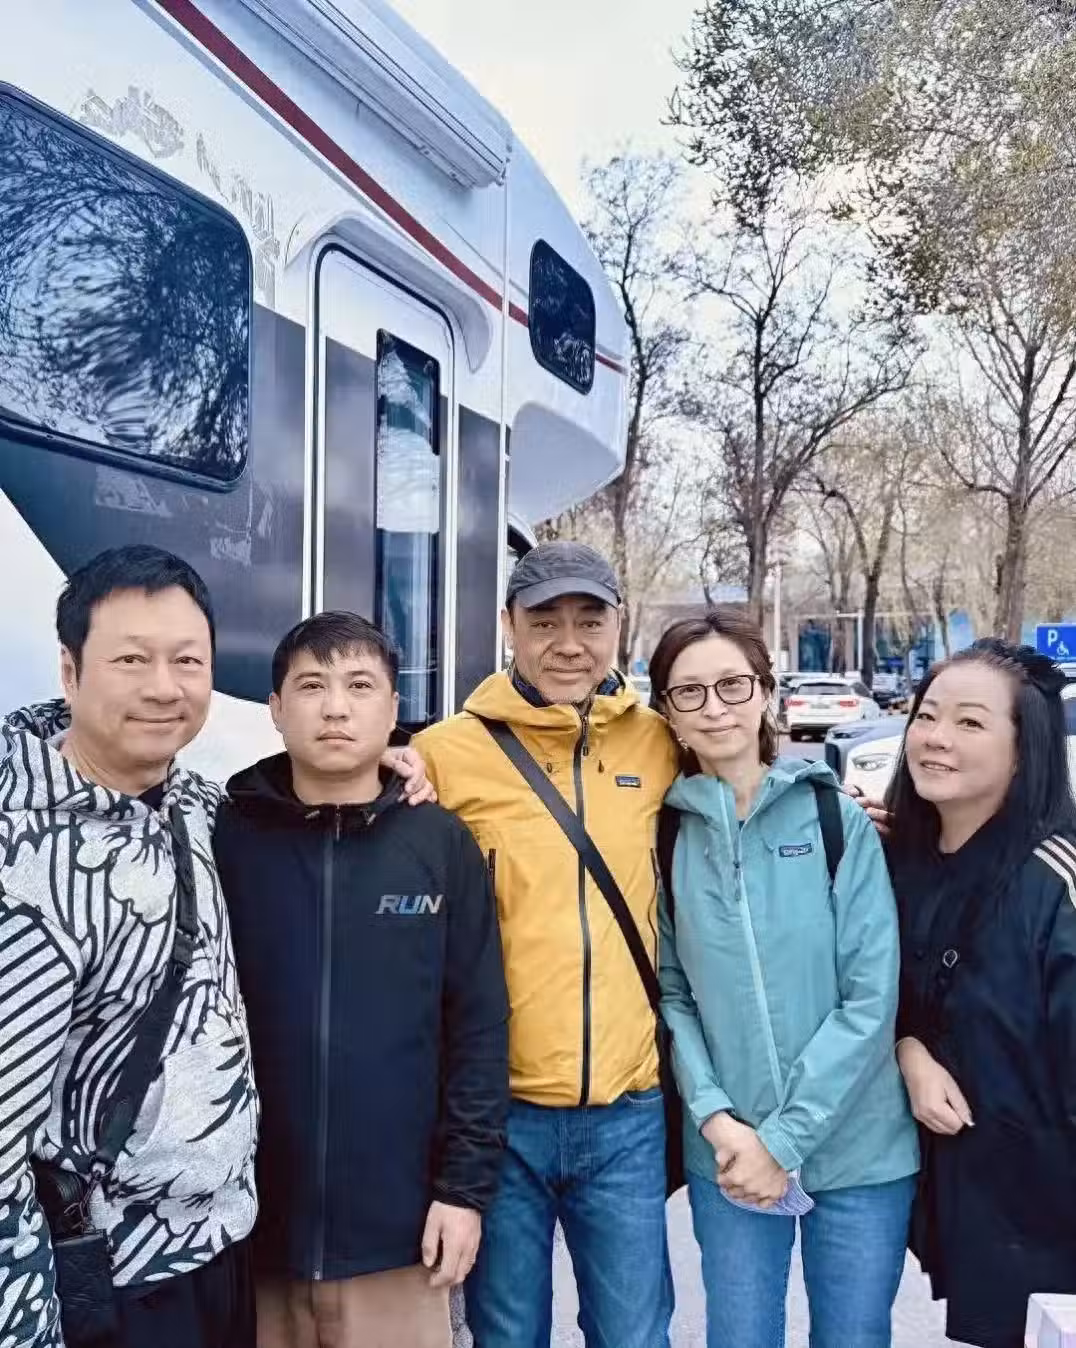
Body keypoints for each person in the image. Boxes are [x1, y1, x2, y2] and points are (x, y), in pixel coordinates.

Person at [212, 611, 510, 1348]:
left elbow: (478, 1028)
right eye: (311, 686)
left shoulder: (440, 843)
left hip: (399, 1238)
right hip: (250, 1233)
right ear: (276, 707)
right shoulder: (226, 837)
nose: (336, 707)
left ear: (394, 707)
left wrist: (463, 1192)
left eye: (359, 685)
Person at [412, 541, 678, 1348]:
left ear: (618, 626)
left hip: (627, 1116)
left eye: (589, 621)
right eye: (544, 621)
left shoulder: (661, 743)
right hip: (501, 1119)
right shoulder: (446, 753)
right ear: (508, 627)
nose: (569, 643)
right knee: (507, 1336)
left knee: (633, 1336)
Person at [0, 545, 259, 1348]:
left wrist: (385, 767)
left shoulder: (193, 805)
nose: (164, 687)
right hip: (112, 1278)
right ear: (70, 670)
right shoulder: (24, 861)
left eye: (188, 661)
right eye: (131, 659)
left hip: (220, 1246)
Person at [650, 608, 919, 1348]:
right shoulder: (667, 834)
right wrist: (718, 1120)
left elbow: (870, 997)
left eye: (733, 684)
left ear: (766, 691)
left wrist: (785, 1140)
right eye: (690, 692)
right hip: (730, 1152)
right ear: (668, 713)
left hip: (860, 1151)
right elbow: (674, 994)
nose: (715, 707)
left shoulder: (835, 819)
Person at [886, 639, 1076, 1348]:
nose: (936, 737)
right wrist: (908, 1050)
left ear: (1025, 750)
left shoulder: (1055, 881)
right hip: (976, 1212)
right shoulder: (898, 862)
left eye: (970, 722)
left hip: (1053, 1212)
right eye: (927, 715)